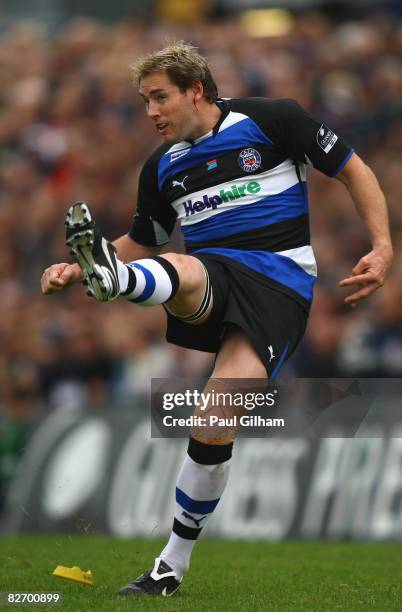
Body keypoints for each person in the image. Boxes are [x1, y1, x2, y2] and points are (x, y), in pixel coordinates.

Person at [41, 41, 393, 597]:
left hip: (279, 287)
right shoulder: (161, 166)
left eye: (160, 98)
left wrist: (381, 245)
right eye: (144, 101)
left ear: (196, 90)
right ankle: (109, 278)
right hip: (207, 276)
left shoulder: (274, 119)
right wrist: (76, 266)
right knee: (183, 267)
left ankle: (171, 564)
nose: (151, 112)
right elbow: (142, 240)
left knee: (212, 421)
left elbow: (354, 169)